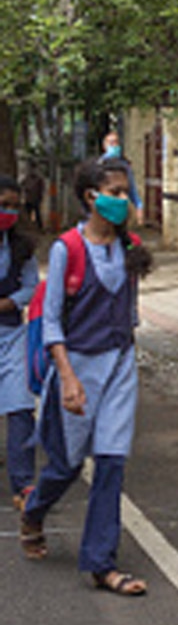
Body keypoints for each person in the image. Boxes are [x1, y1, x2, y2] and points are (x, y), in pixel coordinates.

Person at [18, 158, 153, 595]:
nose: (123, 200)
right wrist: (68, 377)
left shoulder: (128, 246)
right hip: (77, 366)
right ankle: (34, 509)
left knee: (112, 462)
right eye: (115, 192)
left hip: (119, 365)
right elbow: (52, 319)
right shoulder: (67, 250)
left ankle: (101, 564)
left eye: (124, 191)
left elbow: (129, 310)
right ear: (92, 196)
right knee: (67, 466)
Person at [0, 175, 39, 510]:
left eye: (14, 206)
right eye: (3, 205)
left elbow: (30, 286)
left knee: (20, 405)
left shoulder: (21, 247)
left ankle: (23, 483)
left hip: (11, 333)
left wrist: (8, 303)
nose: (8, 212)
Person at [101, 129, 144, 226]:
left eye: (116, 142)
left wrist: (139, 207)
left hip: (120, 210)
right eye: (110, 142)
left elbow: (132, 189)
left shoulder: (125, 166)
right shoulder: (99, 165)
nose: (114, 145)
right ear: (104, 146)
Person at [20, 167, 44, 232]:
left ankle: (39, 227)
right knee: (28, 213)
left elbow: (41, 189)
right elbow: (22, 185)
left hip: (35, 199)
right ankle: (28, 227)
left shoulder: (39, 179)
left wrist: (40, 197)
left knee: (37, 213)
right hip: (29, 198)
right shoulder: (27, 178)